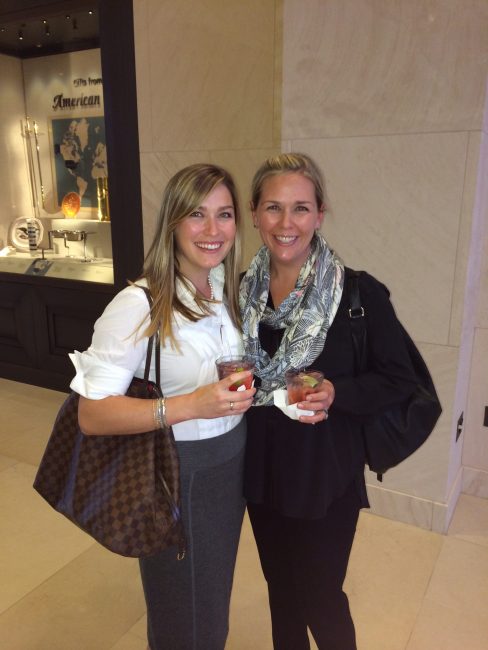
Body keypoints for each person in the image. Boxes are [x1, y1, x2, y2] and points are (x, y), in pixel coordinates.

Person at [69, 163, 256, 650]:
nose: (213, 230)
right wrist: (189, 405)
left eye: (224, 214)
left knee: (210, 597)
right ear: (172, 221)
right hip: (179, 469)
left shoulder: (224, 288)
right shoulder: (140, 303)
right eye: (197, 214)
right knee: (182, 611)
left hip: (230, 464)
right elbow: (92, 415)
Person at [239, 153, 418, 649]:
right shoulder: (243, 292)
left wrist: (339, 391)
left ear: (320, 214)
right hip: (261, 469)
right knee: (281, 591)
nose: (286, 223)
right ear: (254, 213)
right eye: (273, 207)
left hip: (325, 473)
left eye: (300, 208)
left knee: (320, 597)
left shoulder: (358, 294)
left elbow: (399, 379)